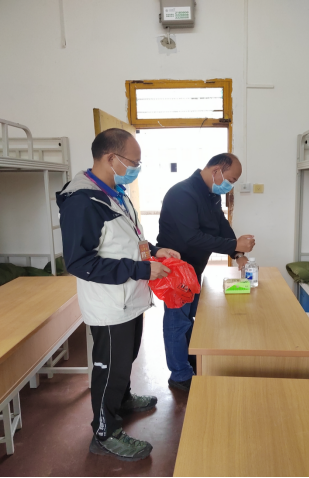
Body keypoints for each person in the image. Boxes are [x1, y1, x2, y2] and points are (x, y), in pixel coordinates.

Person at [57, 128, 180, 462]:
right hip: (109, 305)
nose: (137, 168)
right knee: (109, 369)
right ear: (111, 158)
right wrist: (139, 270)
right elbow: (79, 263)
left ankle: (123, 400)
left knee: (126, 359)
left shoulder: (115, 193)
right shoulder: (82, 202)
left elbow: (127, 240)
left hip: (130, 298)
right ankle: (104, 433)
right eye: (134, 162)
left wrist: (154, 250)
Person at [157, 153, 256, 392]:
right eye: (230, 179)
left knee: (190, 318)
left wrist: (238, 254)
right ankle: (179, 375)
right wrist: (234, 245)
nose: (230, 185)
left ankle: (190, 360)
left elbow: (222, 226)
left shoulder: (211, 194)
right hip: (176, 271)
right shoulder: (182, 194)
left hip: (193, 268)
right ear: (216, 171)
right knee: (177, 321)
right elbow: (191, 237)